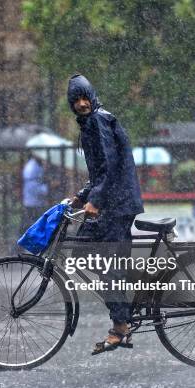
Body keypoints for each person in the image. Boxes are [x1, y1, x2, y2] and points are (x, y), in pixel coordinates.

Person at [66, 74, 144, 354]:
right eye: (76, 100)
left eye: (85, 97)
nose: (82, 104)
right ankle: (122, 316)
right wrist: (82, 197)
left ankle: (121, 324)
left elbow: (110, 167)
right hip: (114, 203)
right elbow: (99, 172)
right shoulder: (92, 123)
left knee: (101, 261)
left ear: (93, 96)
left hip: (117, 206)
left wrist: (96, 200)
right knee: (86, 255)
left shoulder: (98, 120)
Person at [19, 155, 49, 235]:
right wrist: (47, 189)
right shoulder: (32, 167)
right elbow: (32, 186)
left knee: (32, 225)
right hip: (32, 203)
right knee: (29, 225)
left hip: (35, 202)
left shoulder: (37, 166)